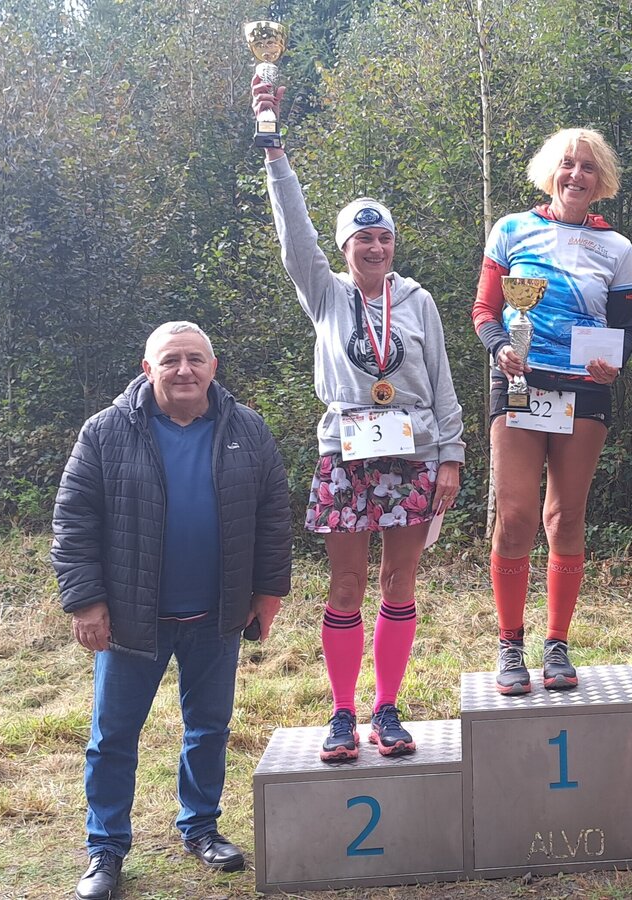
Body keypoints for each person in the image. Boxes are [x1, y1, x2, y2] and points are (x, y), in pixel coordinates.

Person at [253, 78, 464, 763]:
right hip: (345, 453)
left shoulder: (419, 301)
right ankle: (342, 712)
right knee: (346, 585)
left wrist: (452, 456)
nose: (375, 248)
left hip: (412, 453)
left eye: (384, 238)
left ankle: (387, 709)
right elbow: (294, 236)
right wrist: (276, 155)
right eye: (362, 239)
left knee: (399, 583)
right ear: (344, 248)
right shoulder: (325, 295)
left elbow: (441, 383)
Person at [52, 321, 293, 900]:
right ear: (148, 369)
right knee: (112, 738)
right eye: (170, 360)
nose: (184, 370)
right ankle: (105, 848)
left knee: (209, 729)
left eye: (195, 359)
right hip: (132, 618)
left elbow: (272, 515)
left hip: (218, 615)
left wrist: (268, 592)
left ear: (213, 367)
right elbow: (73, 521)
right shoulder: (106, 431)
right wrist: (85, 602)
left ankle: (201, 827)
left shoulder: (247, 428)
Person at [472, 127, 632, 694]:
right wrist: (499, 347)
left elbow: (623, 328)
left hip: (584, 391)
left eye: (588, 167)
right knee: (516, 516)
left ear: (601, 179)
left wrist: (615, 363)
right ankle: (509, 643)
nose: (576, 174)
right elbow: (485, 309)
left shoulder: (616, 247)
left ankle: (557, 643)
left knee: (565, 518)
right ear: (550, 171)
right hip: (520, 383)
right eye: (568, 163)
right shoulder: (511, 229)